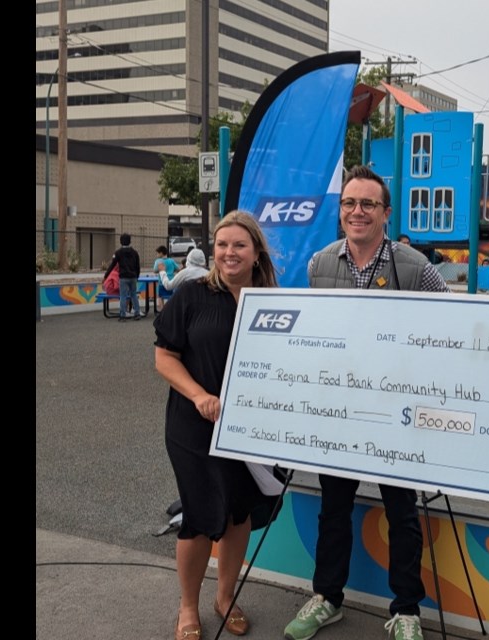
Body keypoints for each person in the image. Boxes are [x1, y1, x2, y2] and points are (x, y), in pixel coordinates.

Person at [284, 166, 448, 640]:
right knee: (333, 507)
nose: (357, 212)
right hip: (340, 413)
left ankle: (406, 611)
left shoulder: (417, 267)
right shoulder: (320, 263)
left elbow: (451, 327)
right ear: (341, 212)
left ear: (386, 213)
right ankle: (327, 598)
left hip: (397, 415)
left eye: (368, 204)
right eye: (350, 203)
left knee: (402, 512)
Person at [155, 212, 279, 640]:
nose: (228, 252)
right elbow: (164, 357)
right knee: (198, 513)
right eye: (222, 244)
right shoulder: (192, 294)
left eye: (239, 245)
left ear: (256, 251)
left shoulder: (272, 299)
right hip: (193, 425)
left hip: (249, 428)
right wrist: (199, 395)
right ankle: (188, 607)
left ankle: (225, 596)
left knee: (237, 513)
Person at [104, 233, 141, 321]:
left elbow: (112, 265)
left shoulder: (118, 253)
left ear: (121, 242)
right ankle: (137, 313)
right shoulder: (135, 252)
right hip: (133, 276)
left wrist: (106, 275)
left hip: (123, 276)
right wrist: (137, 275)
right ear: (130, 241)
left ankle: (123, 315)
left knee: (123, 296)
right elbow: (138, 266)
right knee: (133, 295)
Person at [154, 245, 178, 311]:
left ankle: (162, 310)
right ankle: (171, 309)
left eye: (157, 253)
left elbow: (155, 270)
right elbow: (177, 269)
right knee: (171, 296)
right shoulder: (171, 261)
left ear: (161, 253)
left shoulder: (158, 261)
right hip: (171, 282)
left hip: (162, 282)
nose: (157, 255)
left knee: (160, 296)